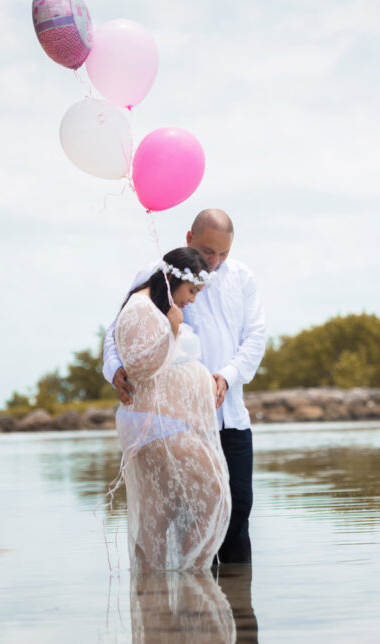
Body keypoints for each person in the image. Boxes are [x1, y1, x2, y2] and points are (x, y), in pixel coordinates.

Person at [105, 209, 266, 564]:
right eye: (209, 252)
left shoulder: (242, 277)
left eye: (224, 253)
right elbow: (119, 327)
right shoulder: (159, 273)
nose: (216, 261)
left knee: (237, 509)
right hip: (178, 421)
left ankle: (236, 606)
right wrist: (114, 367)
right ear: (189, 238)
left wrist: (227, 375)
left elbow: (255, 337)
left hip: (230, 415)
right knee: (174, 513)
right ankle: (184, 600)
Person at [111, 247, 231, 571]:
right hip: (157, 424)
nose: (192, 300)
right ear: (173, 280)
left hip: (165, 423)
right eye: (191, 291)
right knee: (213, 496)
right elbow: (138, 364)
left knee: (157, 512)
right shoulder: (140, 308)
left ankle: (157, 602)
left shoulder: (155, 306)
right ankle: (190, 578)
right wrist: (174, 329)